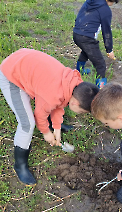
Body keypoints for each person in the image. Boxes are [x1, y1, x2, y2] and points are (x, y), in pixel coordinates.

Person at [0, 48, 99, 185]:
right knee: (27, 123)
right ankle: (20, 165)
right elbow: (40, 114)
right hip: (11, 75)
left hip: (24, 62)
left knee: (49, 103)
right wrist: (46, 133)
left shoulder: (74, 84)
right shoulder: (53, 95)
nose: (80, 114)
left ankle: (52, 124)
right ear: (76, 102)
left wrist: (57, 128)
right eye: (82, 112)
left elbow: (60, 102)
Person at [73, 0, 122, 88]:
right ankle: (101, 90)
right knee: (100, 65)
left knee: (87, 51)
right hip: (86, 37)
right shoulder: (105, 10)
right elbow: (106, 32)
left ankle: (79, 70)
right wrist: (109, 50)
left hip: (77, 33)